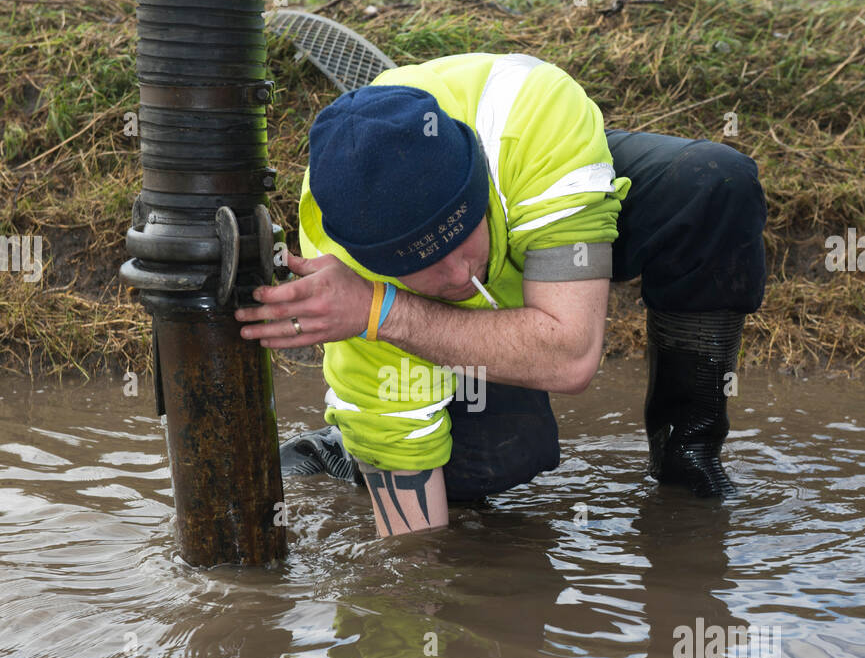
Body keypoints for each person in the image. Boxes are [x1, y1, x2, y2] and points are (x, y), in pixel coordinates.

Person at [235, 52, 767, 538]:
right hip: (404, 286)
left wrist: (397, 309)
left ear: (478, 183)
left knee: (711, 186)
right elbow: (411, 542)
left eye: (461, 234)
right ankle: (342, 451)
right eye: (421, 266)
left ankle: (689, 456)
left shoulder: (540, 124)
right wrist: (418, 598)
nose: (458, 275)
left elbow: (571, 356)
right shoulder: (346, 277)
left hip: (537, 185)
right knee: (498, 456)